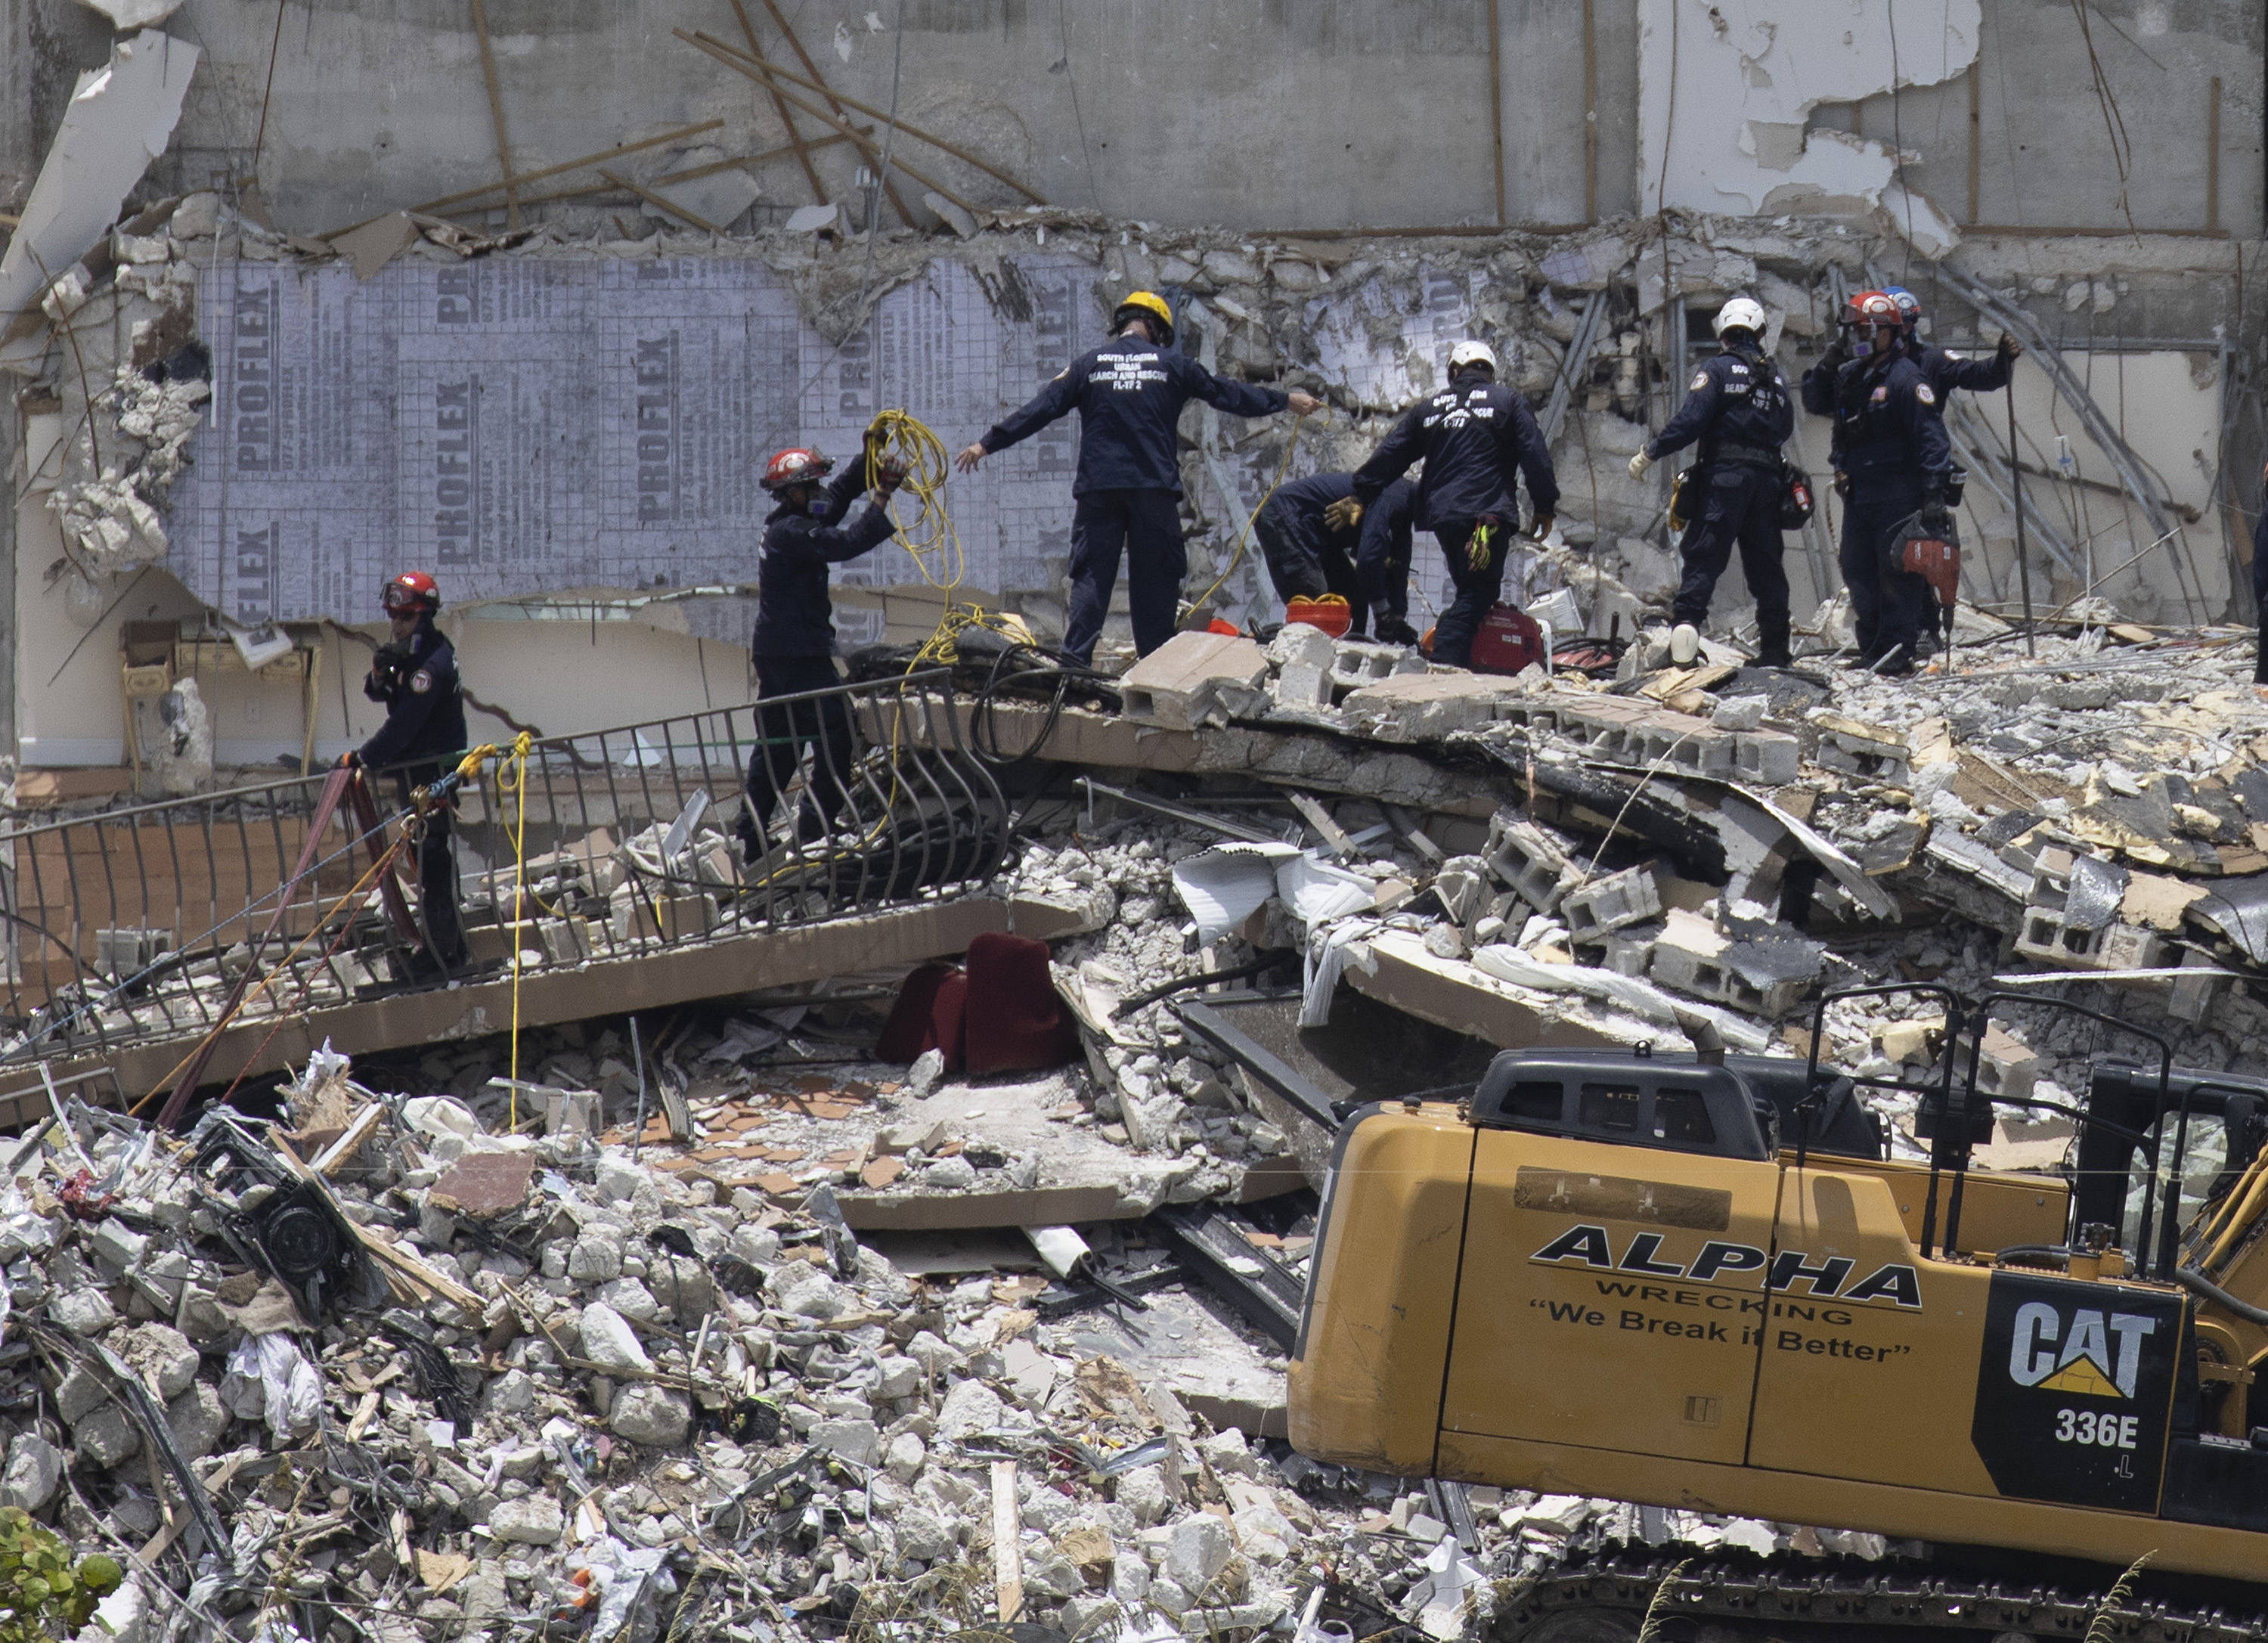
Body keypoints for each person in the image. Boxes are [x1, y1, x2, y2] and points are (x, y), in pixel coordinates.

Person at [955, 290, 1322, 664]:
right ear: (1159, 329)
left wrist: (986, 444)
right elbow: (1226, 394)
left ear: (1123, 323)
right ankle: (1154, 670)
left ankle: (1072, 670)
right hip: (1153, 491)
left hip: (1099, 490)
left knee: (1092, 579)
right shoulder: (1173, 364)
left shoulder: (1089, 365)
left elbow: (1041, 408)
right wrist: (1285, 401)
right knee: (1155, 584)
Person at [741, 439, 908, 860]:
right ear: (790, 492)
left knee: (780, 742)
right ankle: (815, 825)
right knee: (837, 730)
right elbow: (846, 542)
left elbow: (834, 501)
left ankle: (751, 833)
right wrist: (883, 495)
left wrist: (867, 456)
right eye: (809, 486)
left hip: (783, 650)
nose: (818, 492)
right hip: (797, 653)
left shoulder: (792, 519)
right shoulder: (792, 531)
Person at [1349, 339, 1558, 669]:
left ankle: (1469, 661)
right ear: (1488, 372)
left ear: (1454, 371)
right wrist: (1545, 504)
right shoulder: (1509, 402)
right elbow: (1535, 455)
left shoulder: (1429, 408)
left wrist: (1360, 492)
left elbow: (1393, 453)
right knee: (1481, 593)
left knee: (1469, 592)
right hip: (1487, 519)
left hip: (1444, 517)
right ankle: (1446, 663)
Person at [1626, 296, 1796, 666]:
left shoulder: (1717, 370)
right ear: (1761, 332)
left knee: (1704, 558)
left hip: (1725, 480)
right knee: (1767, 566)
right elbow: (1785, 428)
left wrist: (1651, 452)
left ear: (1724, 333)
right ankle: (1775, 652)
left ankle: (1684, 644)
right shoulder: (1777, 376)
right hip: (1767, 483)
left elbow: (1692, 421)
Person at [1800, 291, 1956, 676]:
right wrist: (1828, 363)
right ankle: (1872, 648)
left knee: (1895, 576)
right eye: (1853, 332)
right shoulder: (1852, 375)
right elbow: (1815, 399)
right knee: (1857, 570)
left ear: (1888, 333)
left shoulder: (1907, 379)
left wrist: (1934, 495)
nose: (1858, 339)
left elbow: (1932, 439)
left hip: (1898, 495)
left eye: (1865, 331)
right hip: (1860, 494)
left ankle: (1897, 654)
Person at [343, 571, 469, 977]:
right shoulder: (411, 656)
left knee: (432, 860)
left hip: (432, 774)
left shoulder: (430, 666)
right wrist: (379, 674)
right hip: (412, 772)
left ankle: (443, 955)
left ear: (425, 617)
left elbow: (405, 725)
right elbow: (381, 692)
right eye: (393, 617)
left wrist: (363, 759)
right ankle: (443, 943)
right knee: (420, 858)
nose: (396, 625)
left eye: (405, 619)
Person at [1253, 472, 1420, 643]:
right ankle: (1305, 664)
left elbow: (1398, 568)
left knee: (1352, 603)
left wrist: (1397, 619)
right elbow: (1368, 559)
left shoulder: (1403, 516)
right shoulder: (1394, 497)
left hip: (1317, 534)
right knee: (1319, 608)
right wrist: (1382, 613)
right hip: (1287, 517)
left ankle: (1347, 663)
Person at [1882, 285, 2021, 398]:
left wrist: (2002, 361)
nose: (1904, 328)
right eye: (1898, 323)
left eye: (1908, 323)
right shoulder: (1866, 363)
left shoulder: (1933, 361)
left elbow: (1979, 375)